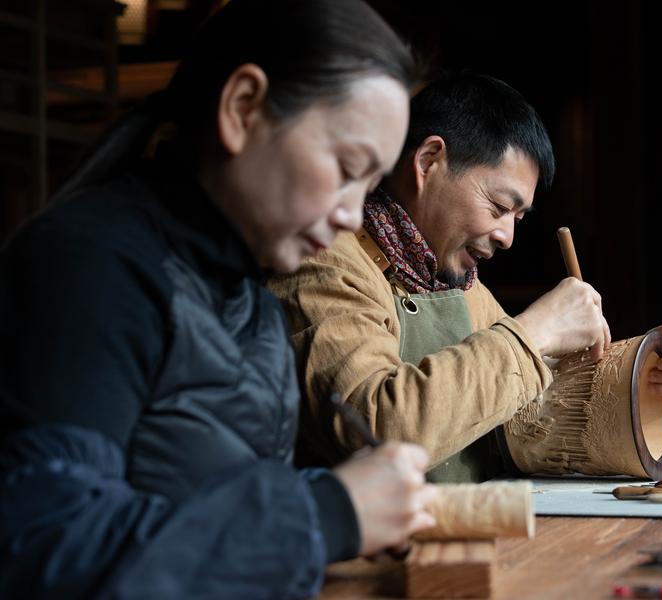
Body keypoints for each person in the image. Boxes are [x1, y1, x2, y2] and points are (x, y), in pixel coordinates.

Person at [0, 1, 438, 597]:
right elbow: (43, 546)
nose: (350, 215)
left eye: (368, 186)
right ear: (242, 109)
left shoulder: (251, 299)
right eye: (345, 168)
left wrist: (344, 500)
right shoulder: (91, 265)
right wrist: (323, 514)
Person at [270, 72, 662, 483]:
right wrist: (532, 333)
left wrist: (655, 369)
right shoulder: (323, 262)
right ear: (428, 161)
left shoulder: (460, 284)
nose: (507, 236)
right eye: (499, 207)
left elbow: (540, 401)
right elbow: (376, 430)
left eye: (518, 217)